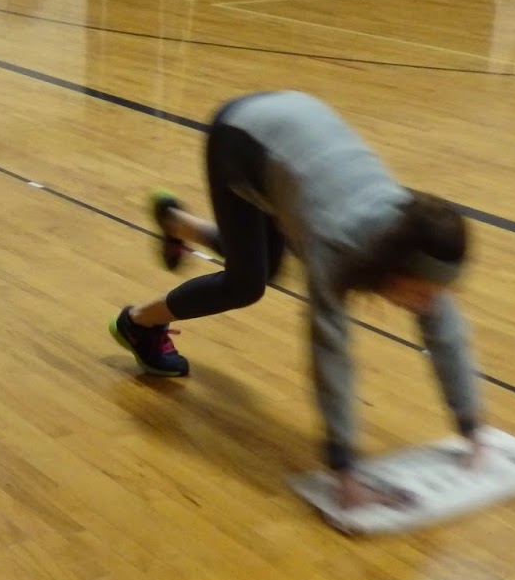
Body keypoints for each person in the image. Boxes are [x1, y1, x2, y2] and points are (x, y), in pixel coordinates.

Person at [108, 91, 483, 512]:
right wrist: (344, 467)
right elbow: (331, 351)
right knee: (248, 282)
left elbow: (445, 328)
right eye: (424, 293)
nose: (430, 305)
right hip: (242, 139)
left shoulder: (413, 238)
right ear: (395, 271)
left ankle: (177, 223)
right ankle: (138, 322)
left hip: (296, 140)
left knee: (263, 256)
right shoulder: (336, 247)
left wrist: (471, 425)